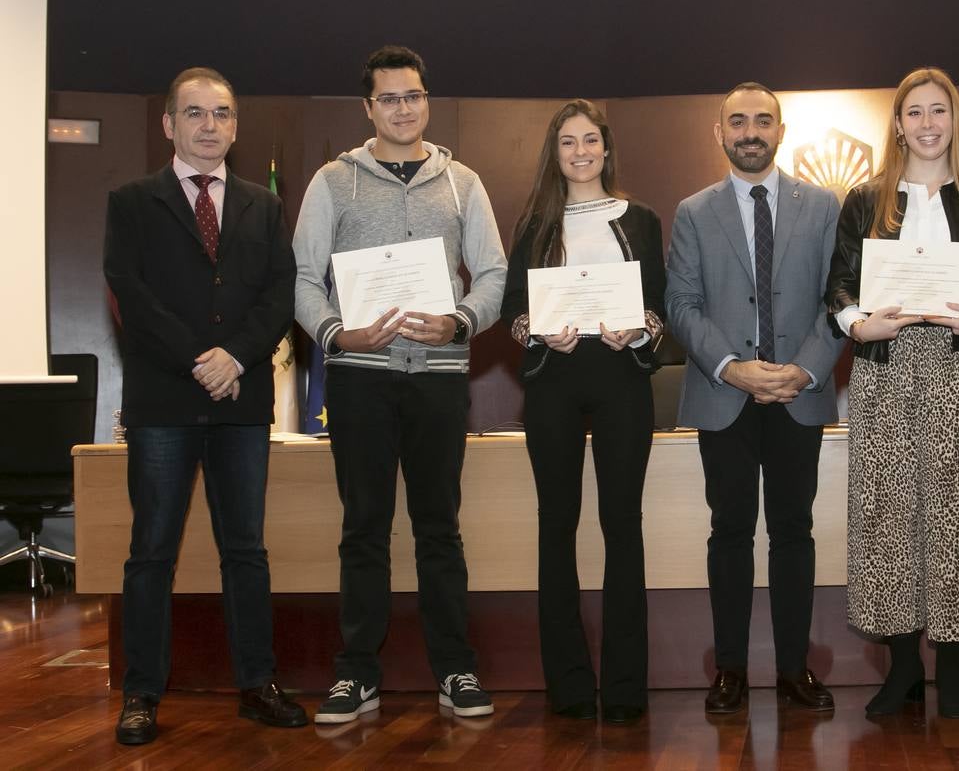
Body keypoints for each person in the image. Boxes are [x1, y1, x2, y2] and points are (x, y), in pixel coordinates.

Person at [292, 45, 508, 723]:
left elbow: (495, 275)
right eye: (389, 98)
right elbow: (301, 277)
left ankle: (456, 669)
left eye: (412, 96)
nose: (403, 108)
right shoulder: (333, 182)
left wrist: (459, 321)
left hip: (439, 381)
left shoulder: (464, 183)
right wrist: (335, 335)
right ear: (369, 108)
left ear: (426, 101)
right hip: (359, 379)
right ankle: (356, 674)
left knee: (439, 529)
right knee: (363, 528)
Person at [103, 67, 306, 746]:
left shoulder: (263, 205)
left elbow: (280, 293)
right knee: (151, 552)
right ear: (168, 124)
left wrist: (236, 358)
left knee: (245, 550)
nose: (209, 125)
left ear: (235, 125)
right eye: (194, 113)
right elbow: (131, 294)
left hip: (240, 402)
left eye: (221, 113)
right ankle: (141, 694)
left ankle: (257, 684)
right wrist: (201, 358)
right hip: (164, 401)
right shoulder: (132, 202)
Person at [825, 68, 959, 718]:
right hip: (884, 370)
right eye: (915, 112)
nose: (928, 123)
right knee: (887, 517)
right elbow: (839, 289)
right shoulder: (865, 200)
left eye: (939, 111)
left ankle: (954, 670)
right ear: (898, 124)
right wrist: (860, 324)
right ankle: (904, 666)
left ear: (954, 121)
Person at [666, 82, 844, 714]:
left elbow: (839, 302)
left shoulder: (825, 206)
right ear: (719, 133)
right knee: (730, 532)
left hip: (800, 394)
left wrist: (805, 370)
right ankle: (731, 672)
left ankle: (794, 670)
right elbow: (680, 306)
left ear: (780, 129)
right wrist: (732, 368)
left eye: (762, 121)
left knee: (794, 531)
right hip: (725, 397)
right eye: (737, 121)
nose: (750, 131)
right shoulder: (693, 211)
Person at [501, 99, 666, 725]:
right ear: (556, 152)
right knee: (556, 525)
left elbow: (662, 303)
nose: (580, 151)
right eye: (567, 142)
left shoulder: (642, 219)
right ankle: (568, 686)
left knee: (624, 525)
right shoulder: (536, 223)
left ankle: (625, 689)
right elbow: (514, 309)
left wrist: (640, 328)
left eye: (589, 140)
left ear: (606, 147)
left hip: (623, 377)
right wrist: (539, 332)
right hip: (555, 381)